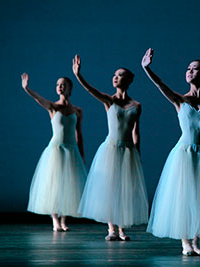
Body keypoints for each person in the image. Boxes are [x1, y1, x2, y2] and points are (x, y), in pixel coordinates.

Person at [142, 48, 200, 256]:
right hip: (184, 154)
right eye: (188, 68)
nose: (190, 71)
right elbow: (161, 85)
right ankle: (185, 242)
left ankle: (196, 241)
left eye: (195, 68)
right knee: (184, 196)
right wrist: (147, 68)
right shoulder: (180, 100)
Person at [73, 55, 148, 241]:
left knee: (125, 189)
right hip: (111, 149)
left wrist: (137, 152)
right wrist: (78, 75)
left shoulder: (136, 105)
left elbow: (136, 131)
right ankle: (111, 229)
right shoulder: (109, 101)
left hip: (128, 151)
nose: (116, 77)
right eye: (114, 74)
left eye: (121, 75)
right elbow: (91, 90)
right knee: (110, 188)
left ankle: (122, 229)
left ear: (129, 80)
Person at [21, 73, 87, 232]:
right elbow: (38, 99)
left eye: (64, 84)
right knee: (55, 184)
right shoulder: (53, 107)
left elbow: (79, 134)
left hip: (71, 150)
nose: (60, 86)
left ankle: (64, 220)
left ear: (70, 88)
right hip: (56, 149)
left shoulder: (77, 110)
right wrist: (27, 88)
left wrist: (82, 154)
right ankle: (55, 220)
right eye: (58, 84)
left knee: (69, 184)